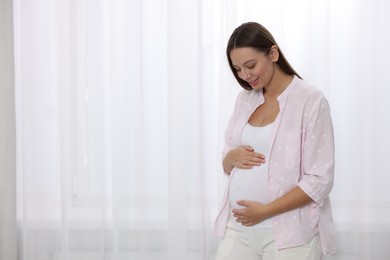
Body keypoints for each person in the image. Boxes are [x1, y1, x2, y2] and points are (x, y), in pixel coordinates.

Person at [214, 22, 336, 260]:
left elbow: (320, 180)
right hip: (238, 229)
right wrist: (230, 157)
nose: (245, 76)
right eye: (237, 69)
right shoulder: (245, 99)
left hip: (289, 233)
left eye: (250, 65)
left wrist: (265, 211)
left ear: (273, 53)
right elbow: (227, 160)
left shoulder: (310, 100)